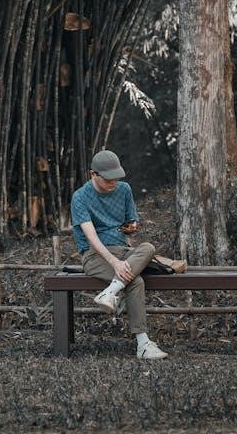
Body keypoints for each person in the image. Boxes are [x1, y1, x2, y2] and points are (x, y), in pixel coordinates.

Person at [70, 149, 168, 359]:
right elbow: (91, 238)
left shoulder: (124, 189)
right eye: (108, 179)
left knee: (148, 247)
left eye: (116, 177)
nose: (113, 182)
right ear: (93, 174)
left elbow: (131, 222)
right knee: (135, 281)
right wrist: (114, 262)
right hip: (95, 255)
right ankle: (143, 344)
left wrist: (131, 228)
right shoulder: (80, 197)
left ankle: (110, 292)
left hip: (124, 251)